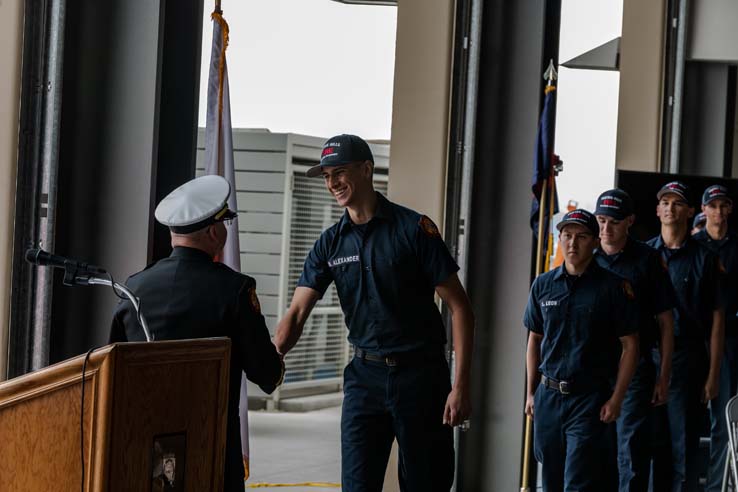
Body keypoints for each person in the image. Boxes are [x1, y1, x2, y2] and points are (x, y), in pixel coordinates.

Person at [273, 134, 475, 491]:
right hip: (364, 380)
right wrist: (271, 359)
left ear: (366, 170)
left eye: (340, 172)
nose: (333, 183)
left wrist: (460, 386)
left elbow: (460, 308)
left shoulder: (413, 230)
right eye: (326, 176)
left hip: (421, 379)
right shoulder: (329, 244)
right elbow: (297, 312)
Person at [109, 175, 284, 492]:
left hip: (144, 447)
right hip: (211, 445)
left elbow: (113, 370)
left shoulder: (133, 288)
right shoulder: (235, 289)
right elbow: (266, 372)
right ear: (215, 232)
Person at [524, 208, 640, 492]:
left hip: (588, 398)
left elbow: (631, 345)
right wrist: (530, 392)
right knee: (549, 480)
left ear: (595, 241)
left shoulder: (612, 287)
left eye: (581, 236)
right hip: (548, 397)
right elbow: (534, 340)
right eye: (566, 235)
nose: (572, 243)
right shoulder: (543, 285)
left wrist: (617, 398)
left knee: (578, 480)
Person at [593, 189, 676, 492]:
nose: (605, 229)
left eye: (613, 222)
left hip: (636, 370)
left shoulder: (647, 260)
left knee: (631, 450)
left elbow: (666, 322)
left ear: (629, 221)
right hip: (593, 369)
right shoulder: (587, 256)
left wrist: (664, 375)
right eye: (601, 221)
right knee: (593, 449)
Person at [646, 181, 725, 492]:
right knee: (649, 446)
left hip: (688, 361)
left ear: (690, 211)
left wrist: (713, 375)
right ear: (657, 210)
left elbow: (717, 321)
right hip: (647, 360)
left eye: (677, 203)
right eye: (664, 202)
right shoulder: (644, 255)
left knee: (684, 447)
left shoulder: (705, 259)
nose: (670, 207)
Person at [694, 185, 738, 492]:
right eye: (713, 206)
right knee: (687, 417)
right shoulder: (693, 245)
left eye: (724, 206)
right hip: (693, 341)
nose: (719, 212)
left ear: (730, 210)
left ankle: (714, 487)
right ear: (704, 209)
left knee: (723, 418)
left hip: (731, 340)